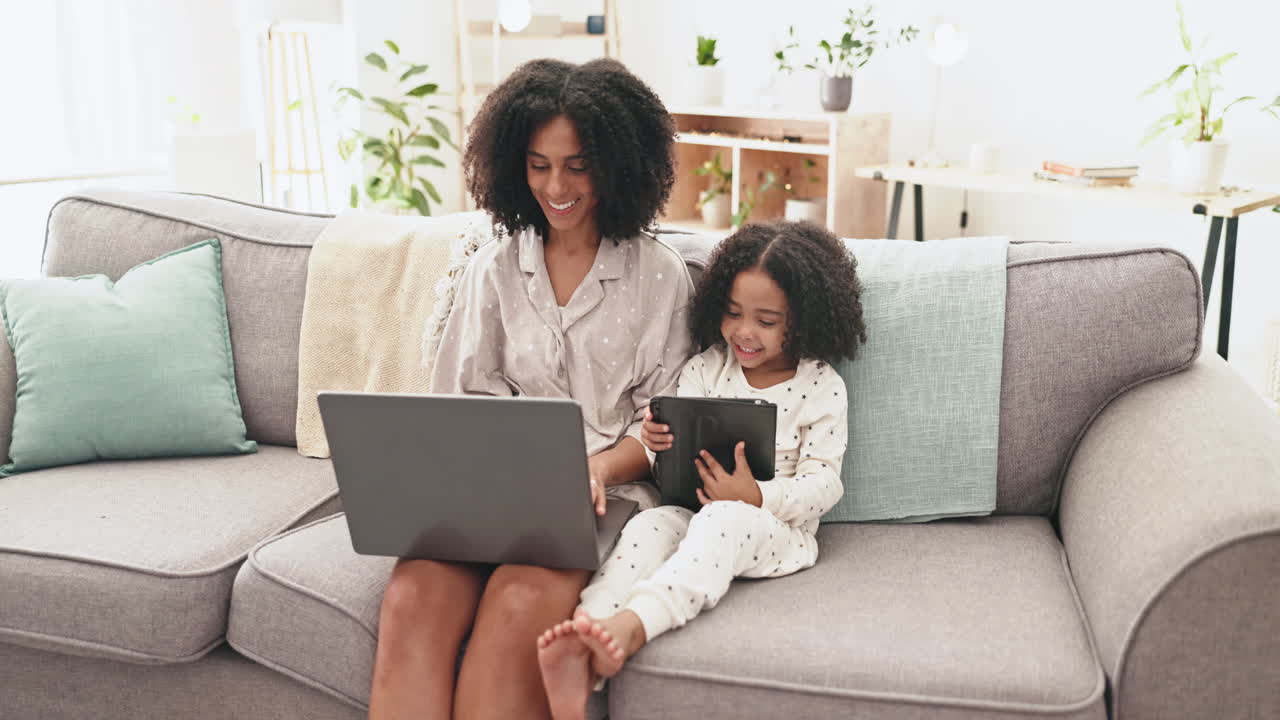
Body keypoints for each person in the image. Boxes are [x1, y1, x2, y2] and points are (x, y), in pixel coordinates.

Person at [367, 58, 693, 720]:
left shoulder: (659, 277)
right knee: (411, 594)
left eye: (578, 166)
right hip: (487, 495)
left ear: (617, 164)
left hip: (602, 499)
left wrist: (595, 469)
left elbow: (662, 426)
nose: (556, 186)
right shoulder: (493, 268)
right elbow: (458, 405)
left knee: (519, 603)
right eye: (539, 165)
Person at [536, 219, 868, 720]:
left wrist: (756, 496)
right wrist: (655, 445)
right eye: (733, 313)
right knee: (648, 525)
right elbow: (669, 456)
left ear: (803, 321)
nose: (744, 332)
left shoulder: (821, 388)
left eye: (766, 320)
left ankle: (633, 626)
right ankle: (588, 633)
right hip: (690, 510)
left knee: (722, 518)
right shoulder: (706, 368)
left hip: (777, 528)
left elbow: (824, 482)